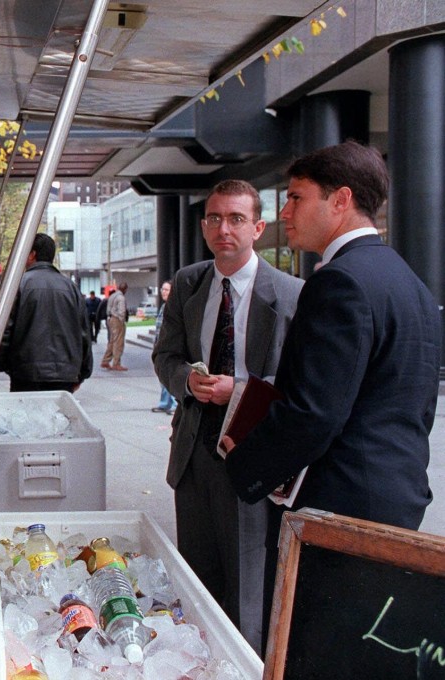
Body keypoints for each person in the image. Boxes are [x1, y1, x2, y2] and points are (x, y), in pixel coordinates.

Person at [222, 142, 442, 638]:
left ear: (340, 200)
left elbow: (315, 412)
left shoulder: (340, 281)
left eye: (297, 197)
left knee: (311, 646)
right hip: (395, 498)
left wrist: (246, 462)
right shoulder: (410, 283)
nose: (285, 211)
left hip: (338, 507)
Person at [152, 179, 303, 653]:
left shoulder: (291, 294)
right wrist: (184, 382)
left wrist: (235, 392)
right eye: (215, 218)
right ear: (203, 225)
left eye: (236, 218)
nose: (224, 228)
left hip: (252, 452)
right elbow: (166, 355)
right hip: (194, 450)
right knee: (196, 580)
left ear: (258, 227)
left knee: (246, 589)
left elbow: (301, 386)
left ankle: (244, 664)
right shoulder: (190, 283)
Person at [0, 233, 93, 392]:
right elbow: (83, 333)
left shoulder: (19, 284)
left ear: (33, 254)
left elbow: (6, 330)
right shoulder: (70, 287)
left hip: (26, 373)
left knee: (27, 416)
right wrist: (83, 372)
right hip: (64, 374)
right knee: (57, 416)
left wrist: (2, 363)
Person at [151, 280, 177, 414]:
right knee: (162, 377)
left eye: (167, 290)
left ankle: (175, 404)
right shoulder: (163, 307)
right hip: (160, 348)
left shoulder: (174, 307)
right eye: (162, 289)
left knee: (170, 376)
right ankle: (165, 403)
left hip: (169, 348)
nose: (164, 292)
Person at [100, 281, 128, 370]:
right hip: (117, 320)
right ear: (125, 289)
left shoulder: (112, 296)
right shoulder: (121, 298)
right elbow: (122, 311)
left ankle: (105, 360)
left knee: (112, 341)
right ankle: (116, 363)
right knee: (118, 342)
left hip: (110, 319)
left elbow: (108, 309)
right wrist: (122, 320)